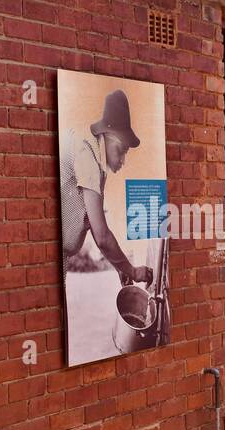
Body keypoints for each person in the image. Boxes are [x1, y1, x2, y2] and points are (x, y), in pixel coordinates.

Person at [60, 89, 154, 288]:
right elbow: (102, 236)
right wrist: (133, 270)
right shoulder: (87, 152)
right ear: (107, 136)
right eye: (121, 151)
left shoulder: (98, 164)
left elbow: (95, 226)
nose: (122, 160)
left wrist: (121, 267)